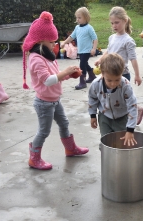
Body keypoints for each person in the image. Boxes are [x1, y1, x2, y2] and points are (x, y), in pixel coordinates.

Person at [22, 11, 89, 170]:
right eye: (52, 42)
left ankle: (70, 149)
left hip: (54, 99)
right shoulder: (36, 59)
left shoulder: (47, 56)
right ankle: (34, 157)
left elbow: (55, 77)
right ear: (40, 41)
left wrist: (69, 75)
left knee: (64, 123)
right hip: (44, 103)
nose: (54, 45)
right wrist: (65, 72)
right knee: (44, 131)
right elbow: (48, 80)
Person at [94, 6, 143, 125]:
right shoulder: (112, 37)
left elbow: (133, 59)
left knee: (123, 98)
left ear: (125, 20)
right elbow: (109, 51)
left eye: (117, 22)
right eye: (112, 23)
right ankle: (134, 110)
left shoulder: (128, 41)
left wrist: (137, 75)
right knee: (115, 98)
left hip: (123, 74)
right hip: (109, 73)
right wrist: (101, 59)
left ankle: (135, 110)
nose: (114, 26)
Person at [89, 53, 138, 146]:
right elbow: (92, 98)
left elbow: (132, 106)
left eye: (117, 79)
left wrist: (130, 130)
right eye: (109, 80)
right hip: (104, 117)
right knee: (106, 142)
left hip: (122, 118)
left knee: (123, 142)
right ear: (102, 73)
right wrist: (92, 115)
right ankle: (107, 156)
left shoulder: (125, 85)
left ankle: (122, 159)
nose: (113, 84)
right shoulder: (96, 84)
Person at [60, 7, 98, 90]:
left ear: (86, 17)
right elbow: (71, 36)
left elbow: (95, 38)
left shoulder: (89, 28)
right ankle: (92, 76)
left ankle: (82, 82)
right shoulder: (77, 27)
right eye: (77, 17)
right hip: (80, 50)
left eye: (79, 17)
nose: (77, 19)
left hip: (87, 50)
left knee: (82, 64)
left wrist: (94, 49)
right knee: (85, 64)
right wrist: (64, 42)